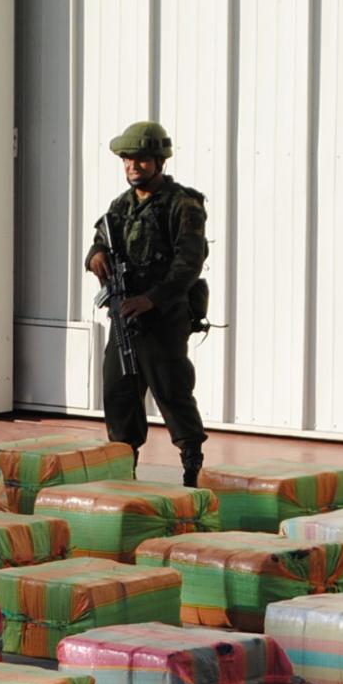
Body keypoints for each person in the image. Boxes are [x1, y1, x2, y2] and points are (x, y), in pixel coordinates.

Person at [86, 118, 208, 487]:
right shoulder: (120, 206)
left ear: (159, 162)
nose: (132, 167)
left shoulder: (182, 204)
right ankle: (125, 470)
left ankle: (191, 466)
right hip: (124, 316)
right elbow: (99, 242)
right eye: (127, 161)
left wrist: (152, 300)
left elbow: (188, 263)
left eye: (140, 160)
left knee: (172, 391)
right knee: (118, 393)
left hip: (163, 318)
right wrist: (94, 256)